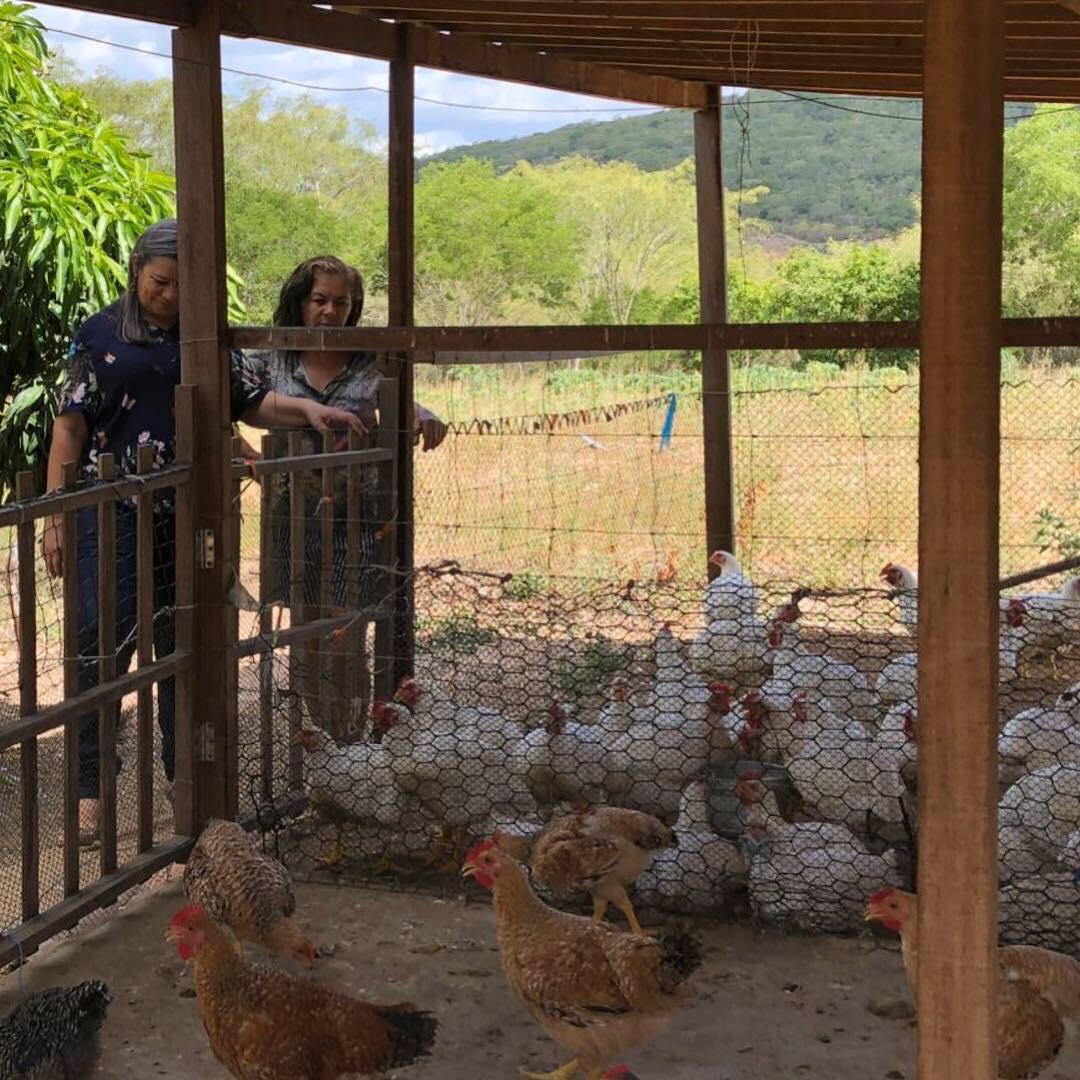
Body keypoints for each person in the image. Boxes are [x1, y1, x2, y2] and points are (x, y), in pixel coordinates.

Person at [42, 219, 363, 845]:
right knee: (95, 643)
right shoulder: (100, 334)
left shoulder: (207, 334)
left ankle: (179, 776)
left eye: (186, 287)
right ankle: (89, 790)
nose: (171, 296)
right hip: (104, 514)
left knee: (179, 646)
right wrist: (55, 514)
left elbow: (252, 401)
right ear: (137, 270)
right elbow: (70, 429)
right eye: (161, 282)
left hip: (184, 518)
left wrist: (307, 409)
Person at [238, 255, 447, 732]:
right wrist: (249, 457)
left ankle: (350, 731)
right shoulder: (272, 357)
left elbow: (400, 401)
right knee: (304, 626)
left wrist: (423, 414)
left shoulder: (368, 360)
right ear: (300, 302)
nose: (330, 312)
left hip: (357, 515)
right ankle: (320, 735)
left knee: (348, 628)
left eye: (341, 303)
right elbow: (232, 400)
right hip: (293, 513)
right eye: (319, 301)